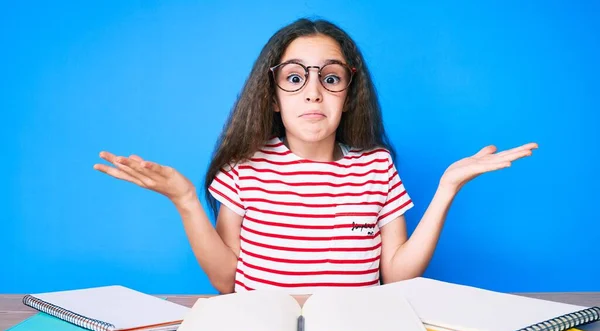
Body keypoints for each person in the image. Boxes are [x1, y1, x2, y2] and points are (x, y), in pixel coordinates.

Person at [93, 18, 537, 295]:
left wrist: (446, 189)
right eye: (294, 77)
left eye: (329, 78)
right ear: (271, 96)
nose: (311, 91)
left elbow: (398, 278)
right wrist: (187, 201)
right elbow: (226, 281)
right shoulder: (243, 168)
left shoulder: (376, 167)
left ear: (348, 92)